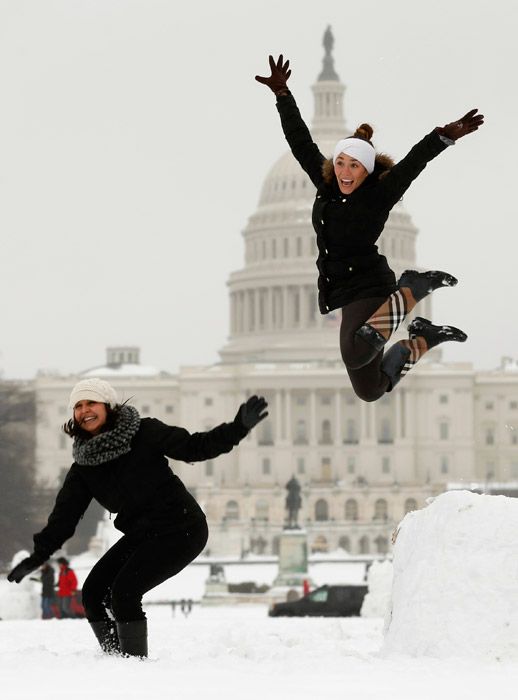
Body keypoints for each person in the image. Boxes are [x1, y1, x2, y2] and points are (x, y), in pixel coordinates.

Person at [256, 55, 484, 402]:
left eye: (356, 166)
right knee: (371, 389)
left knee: (353, 352)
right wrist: (283, 94)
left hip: (371, 285)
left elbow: (412, 163)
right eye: (342, 163)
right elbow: (299, 141)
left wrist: (443, 137)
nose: (347, 172)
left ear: (367, 170)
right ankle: (424, 337)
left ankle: (412, 290)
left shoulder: (380, 194)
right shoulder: (326, 183)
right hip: (345, 289)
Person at [8, 377, 268, 657]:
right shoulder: (84, 465)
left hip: (182, 529)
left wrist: (237, 428)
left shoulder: (145, 432)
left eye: (91, 403)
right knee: (93, 594)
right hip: (143, 535)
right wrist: (38, 556)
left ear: (108, 406)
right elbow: (64, 518)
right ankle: (116, 659)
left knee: (124, 594)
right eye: (78, 406)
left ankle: (133, 667)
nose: (84, 410)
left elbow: (196, 447)